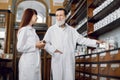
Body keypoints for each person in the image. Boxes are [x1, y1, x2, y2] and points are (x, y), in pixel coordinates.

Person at [43, 8, 102, 80]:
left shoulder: (71, 30)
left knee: (69, 77)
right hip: (57, 60)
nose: (58, 18)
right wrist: (54, 50)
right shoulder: (51, 30)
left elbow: (81, 40)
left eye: (61, 15)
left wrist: (95, 42)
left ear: (65, 17)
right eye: (57, 15)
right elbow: (45, 43)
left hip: (69, 60)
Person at [17, 8, 45, 80]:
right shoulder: (24, 30)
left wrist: (40, 45)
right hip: (28, 63)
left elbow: (34, 44)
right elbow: (19, 47)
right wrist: (35, 45)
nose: (37, 17)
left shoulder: (32, 30)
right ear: (29, 16)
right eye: (35, 15)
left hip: (34, 61)